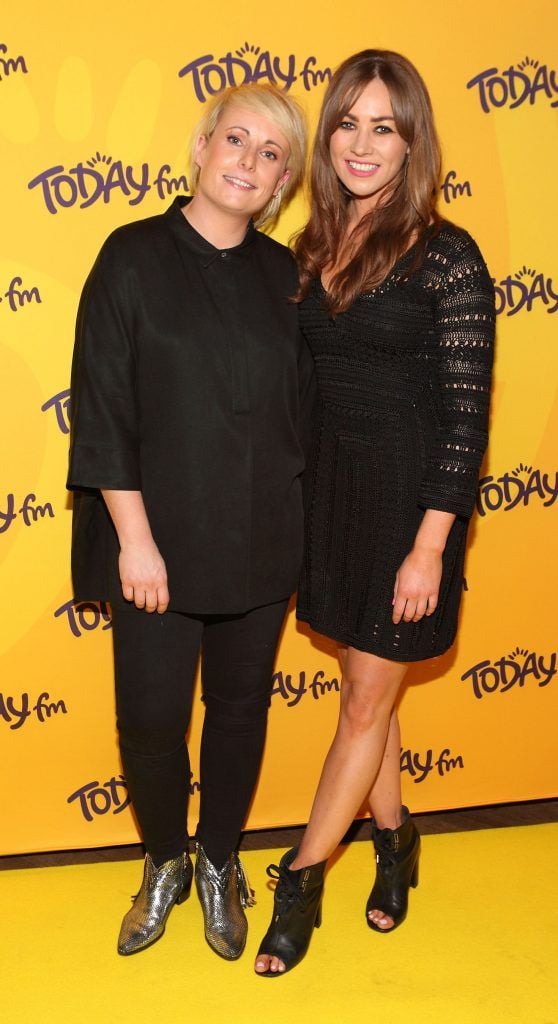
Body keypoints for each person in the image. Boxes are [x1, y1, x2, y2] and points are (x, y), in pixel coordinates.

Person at [255, 49, 495, 976]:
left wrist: (431, 545)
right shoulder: (313, 248)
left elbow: (466, 420)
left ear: (411, 144)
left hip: (408, 510)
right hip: (331, 502)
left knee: (363, 700)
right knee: (372, 691)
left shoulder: (448, 255)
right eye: (348, 122)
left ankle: (302, 879)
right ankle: (395, 842)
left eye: (383, 126)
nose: (362, 143)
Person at [67, 83, 313, 960]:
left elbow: (308, 412)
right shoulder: (130, 258)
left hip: (261, 538)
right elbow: (102, 410)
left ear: (283, 181)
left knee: (241, 711)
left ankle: (219, 859)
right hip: (155, 550)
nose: (248, 162)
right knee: (150, 721)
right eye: (236, 140)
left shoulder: (289, 278)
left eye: (271, 152)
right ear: (203, 145)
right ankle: (165, 858)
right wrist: (133, 539)